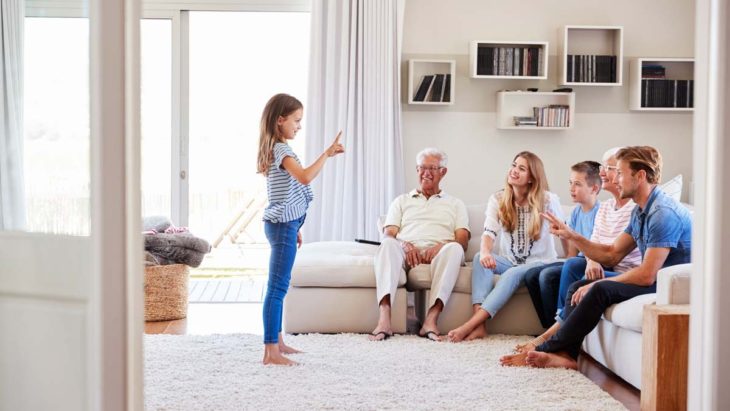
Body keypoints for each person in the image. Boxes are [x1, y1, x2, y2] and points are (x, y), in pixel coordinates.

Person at [502, 146, 691, 370]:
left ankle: (546, 348)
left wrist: (600, 282)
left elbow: (647, 275)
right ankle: (567, 354)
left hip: (668, 285)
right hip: (653, 279)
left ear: (640, 176)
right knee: (579, 286)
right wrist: (572, 235)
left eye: (620, 173)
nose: (614, 179)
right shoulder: (640, 210)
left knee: (598, 289)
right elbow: (612, 253)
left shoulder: (662, 213)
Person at [506, 148, 643, 357]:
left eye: (610, 169)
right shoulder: (604, 208)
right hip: (596, 260)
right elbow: (587, 247)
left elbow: (612, 254)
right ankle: (553, 330)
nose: (603, 172)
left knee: (562, 270)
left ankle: (556, 334)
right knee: (540, 274)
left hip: (609, 265)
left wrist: (589, 256)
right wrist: (571, 240)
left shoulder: (636, 210)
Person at [257, 93, 344, 365]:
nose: (299, 126)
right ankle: (270, 351)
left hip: (286, 225)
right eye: (296, 120)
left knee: (279, 287)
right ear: (280, 120)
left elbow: (287, 193)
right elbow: (304, 177)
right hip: (282, 225)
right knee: (277, 288)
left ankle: (278, 342)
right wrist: (327, 153)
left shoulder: (277, 147)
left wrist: (295, 226)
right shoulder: (281, 150)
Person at [447, 151, 564, 343]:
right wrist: (485, 252)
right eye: (514, 165)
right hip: (510, 261)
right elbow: (489, 232)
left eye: (522, 168)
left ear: (532, 178)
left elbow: (563, 231)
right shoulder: (499, 199)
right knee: (478, 258)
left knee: (512, 273)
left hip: (541, 263)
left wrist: (569, 258)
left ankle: (469, 325)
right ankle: (480, 327)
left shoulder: (548, 200)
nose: (514, 171)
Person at [369, 148, 469, 342]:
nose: (426, 173)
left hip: (440, 254)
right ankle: (384, 319)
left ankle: (431, 320)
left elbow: (462, 240)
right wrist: (405, 245)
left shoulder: (455, 204)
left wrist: (440, 247)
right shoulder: (401, 201)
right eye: (422, 168)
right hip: (406, 252)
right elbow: (389, 234)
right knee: (388, 244)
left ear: (443, 172)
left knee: (455, 248)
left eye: (432, 168)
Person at [524, 161, 601, 329]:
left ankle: (561, 326)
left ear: (594, 188)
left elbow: (598, 250)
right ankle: (549, 327)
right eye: (570, 183)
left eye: (578, 184)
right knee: (531, 275)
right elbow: (571, 255)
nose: (571, 188)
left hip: (593, 262)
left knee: (547, 276)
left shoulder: (601, 213)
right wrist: (560, 235)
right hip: (578, 262)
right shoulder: (576, 213)